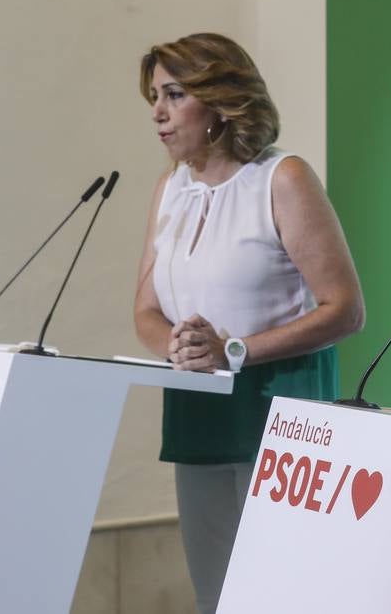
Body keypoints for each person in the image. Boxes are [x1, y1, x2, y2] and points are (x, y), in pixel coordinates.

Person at [132, 32, 364, 613]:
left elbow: (345, 309)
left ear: (219, 100)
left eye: (175, 93)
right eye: (154, 96)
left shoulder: (281, 179)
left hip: (280, 420)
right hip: (197, 415)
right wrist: (179, 348)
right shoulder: (170, 189)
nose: (158, 111)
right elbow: (145, 310)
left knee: (285, 599)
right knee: (216, 598)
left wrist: (232, 351)